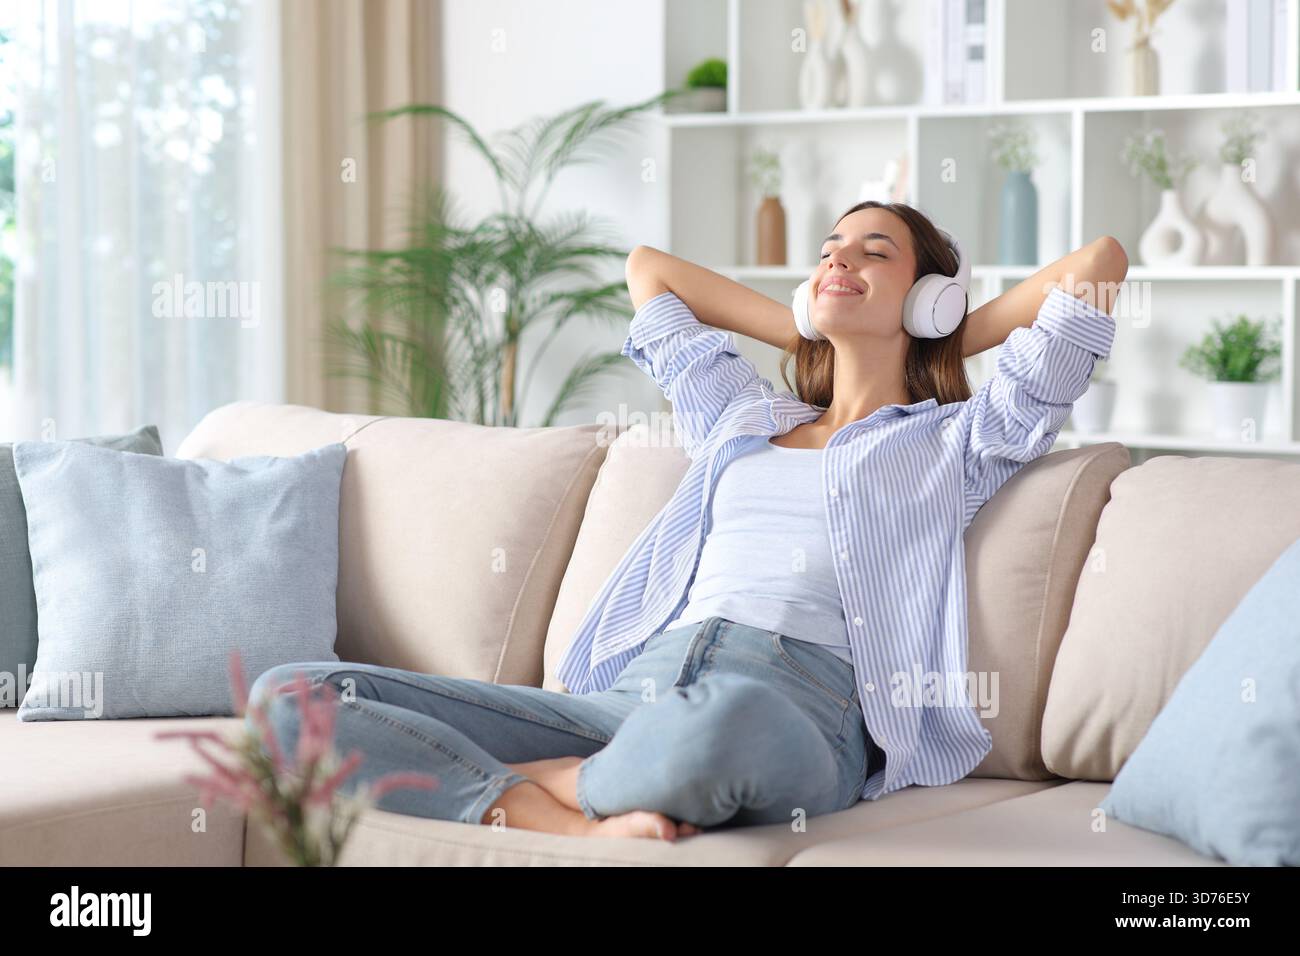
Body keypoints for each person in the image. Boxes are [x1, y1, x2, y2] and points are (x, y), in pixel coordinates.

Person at [248, 200, 1127, 843]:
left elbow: (1099, 261)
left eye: (873, 253)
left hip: (795, 708)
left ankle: (522, 777)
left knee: (723, 724)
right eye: (827, 252)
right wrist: (807, 323)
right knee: (293, 695)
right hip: (629, 696)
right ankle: (558, 816)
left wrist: (937, 334)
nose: (837, 261)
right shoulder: (738, 418)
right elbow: (649, 272)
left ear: (930, 294)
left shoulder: (957, 441)